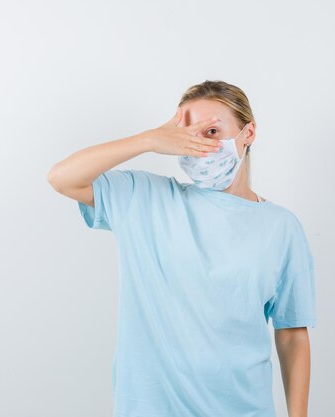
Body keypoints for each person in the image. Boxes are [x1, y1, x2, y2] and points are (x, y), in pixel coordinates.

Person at [47, 80, 317, 417]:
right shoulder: (145, 198)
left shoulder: (281, 227)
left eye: (213, 131)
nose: (199, 144)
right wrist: (148, 140)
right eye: (188, 133)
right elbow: (62, 178)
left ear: (248, 133)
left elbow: (292, 334)